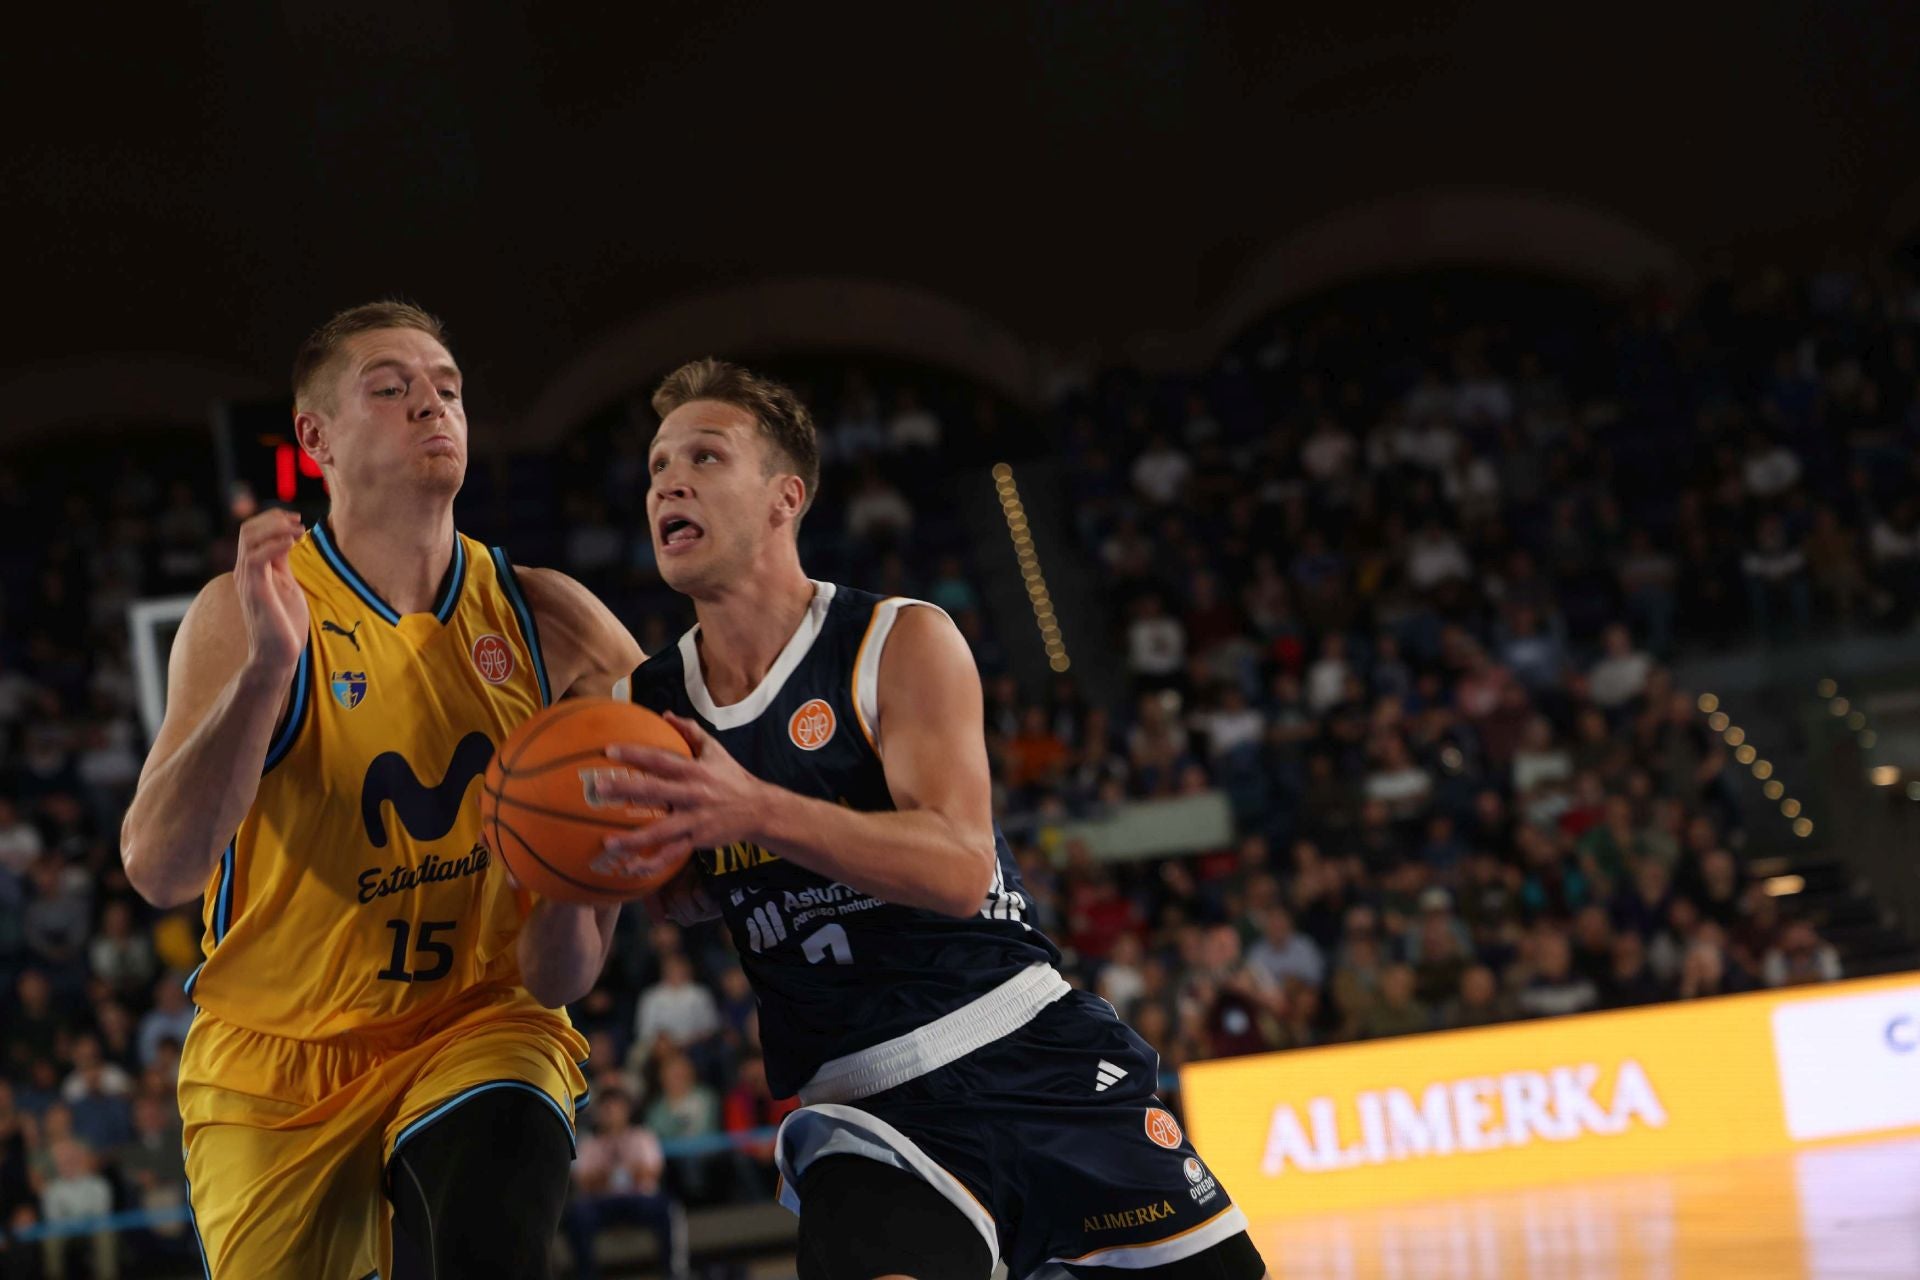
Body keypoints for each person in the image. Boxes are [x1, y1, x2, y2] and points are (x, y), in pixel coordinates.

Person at [571, 360, 1266, 1280]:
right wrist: (622, 870)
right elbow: (684, 897)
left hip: (1028, 1049)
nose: (669, 479)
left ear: (787, 497)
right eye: (658, 465)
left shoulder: (898, 639)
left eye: (704, 455)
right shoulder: (642, 706)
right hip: (867, 1117)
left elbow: (956, 867)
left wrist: (752, 809)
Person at [119, 301, 643, 1278]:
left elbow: (674, 777)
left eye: (446, 387)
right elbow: (159, 866)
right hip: (277, 1062)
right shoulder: (250, 618)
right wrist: (268, 670)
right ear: (314, 439)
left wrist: (596, 862)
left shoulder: (549, 617)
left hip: (480, 1014)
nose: (431, 404)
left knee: (497, 1201)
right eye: (391, 389)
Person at [561, 1088, 687, 1280]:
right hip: (602, 1203)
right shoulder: (589, 1143)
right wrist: (625, 1171)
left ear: (627, 1110)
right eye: (606, 1109)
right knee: (577, 1214)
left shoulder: (642, 1136)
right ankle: (586, 1275)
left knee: (667, 1207)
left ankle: (673, 1272)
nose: (611, 1113)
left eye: (616, 1107)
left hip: (638, 1199)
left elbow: (651, 1173)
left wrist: (608, 1174)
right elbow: (584, 1181)